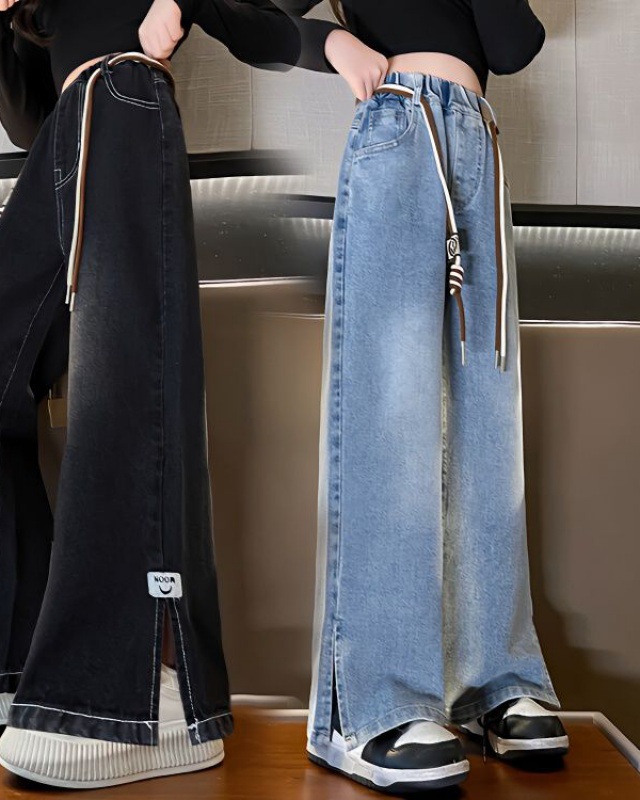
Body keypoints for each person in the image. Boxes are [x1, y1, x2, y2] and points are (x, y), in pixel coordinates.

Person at [0, 0, 348, 790]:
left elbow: (250, 14)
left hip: (125, 100)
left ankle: (146, 694)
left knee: (120, 379)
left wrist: (326, 41)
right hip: (62, 136)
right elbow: (25, 121)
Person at [276, 0, 569, 793]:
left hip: (477, 136)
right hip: (400, 124)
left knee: (488, 418)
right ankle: (373, 707)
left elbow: (514, 41)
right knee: (392, 412)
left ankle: (495, 681)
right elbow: (247, 14)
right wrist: (331, 41)